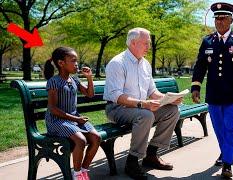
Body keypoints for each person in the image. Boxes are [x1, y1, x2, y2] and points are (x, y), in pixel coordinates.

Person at [103, 27, 182, 180]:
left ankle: (151, 154)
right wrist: (143, 104)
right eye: (145, 43)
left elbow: (153, 92)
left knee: (173, 110)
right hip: (117, 109)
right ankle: (132, 162)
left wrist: (170, 98)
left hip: (140, 108)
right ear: (133, 43)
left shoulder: (145, 64)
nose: (149, 47)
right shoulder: (117, 63)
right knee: (145, 115)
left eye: (149, 43)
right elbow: (116, 95)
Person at [191, 2, 233, 178]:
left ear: (230, 19)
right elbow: (200, 66)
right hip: (213, 94)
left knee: (232, 128)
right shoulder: (207, 41)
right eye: (216, 18)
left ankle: (227, 164)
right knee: (219, 129)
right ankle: (225, 152)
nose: (219, 22)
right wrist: (195, 86)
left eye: (223, 18)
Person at [44, 47, 101, 180]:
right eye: (73, 61)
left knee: (96, 138)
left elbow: (90, 94)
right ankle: (76, 175)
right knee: (80, 140)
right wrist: (76, 118)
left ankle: (83, 170)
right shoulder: (54, 81)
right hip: (56, 120)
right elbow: (52, 109)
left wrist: (89, 78)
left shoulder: (74, 80)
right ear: (61, 63)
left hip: (73, 119)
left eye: (77, 61)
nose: (77, 64)